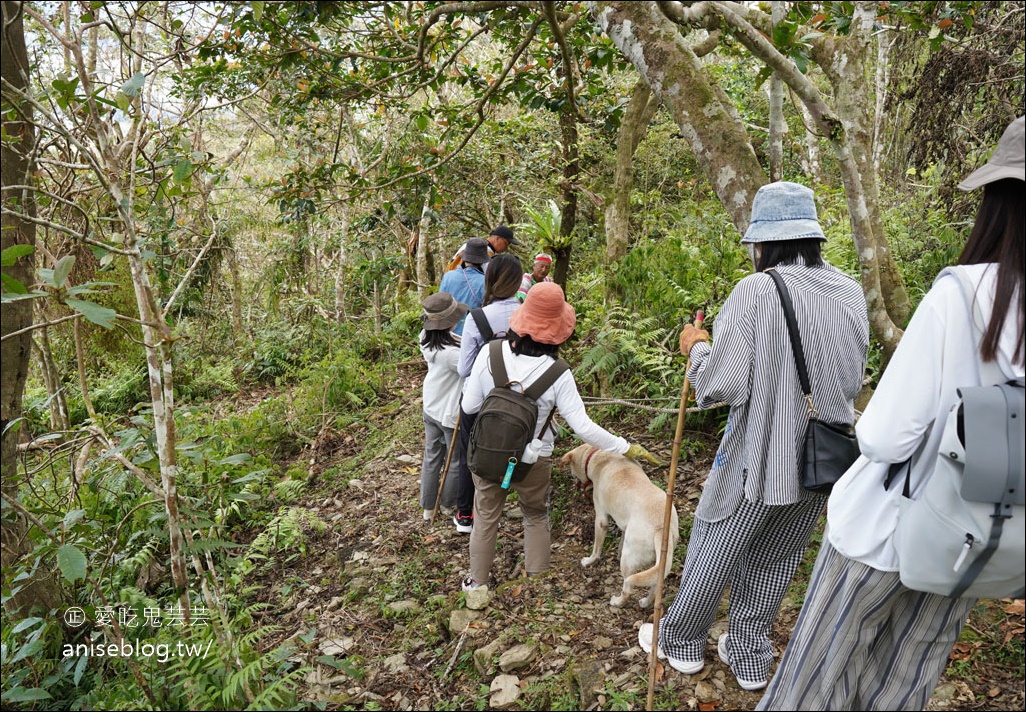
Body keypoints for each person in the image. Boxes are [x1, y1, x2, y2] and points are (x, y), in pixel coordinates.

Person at [756, 117, 1025, 711]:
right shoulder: (850, 291)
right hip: (972, 540)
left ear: (1000, 201)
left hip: (884, 528)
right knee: (900, 688)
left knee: (814, 686)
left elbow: (882, 435)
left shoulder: (962, 295)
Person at [638, 181, 870, 691]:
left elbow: (722, 383)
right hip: (823, 455)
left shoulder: (756, 290)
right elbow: (856, 374)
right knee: (777, 554)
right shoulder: (849, 289)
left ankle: (679, 640)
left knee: (715, 543)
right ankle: (748, 652)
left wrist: (696, 349)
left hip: (757, 454)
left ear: (762, 245)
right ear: (812, 237)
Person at [459, 282, 659, 590]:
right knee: (535, 515)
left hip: (489, 454)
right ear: (559, 330)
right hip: (534, 459)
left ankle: (477, 585)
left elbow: (469, 405)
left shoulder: (489, 353)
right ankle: (537, 587)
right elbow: (583, 427)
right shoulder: (558, 372)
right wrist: (624, 447)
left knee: (485, 517)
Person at [452, 253, 525, 534]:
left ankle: (465, 515)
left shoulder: (477, 318)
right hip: (519, 396)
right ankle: (508, 493)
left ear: (489, 280)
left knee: (468, 453)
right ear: (519, 282)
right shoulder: (525, 311)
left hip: (481, 397)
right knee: (512, 450)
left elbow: (463, 369)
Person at [417, 292, 467, 522]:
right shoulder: (452, 355)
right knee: (454, 460)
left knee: (432, 456)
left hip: (431, 405)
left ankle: (428, 507)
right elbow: (470, 370)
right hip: (448, 412)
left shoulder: (425, 338)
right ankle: (447, 504)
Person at [438, 237, 489, 336]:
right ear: (482, 261)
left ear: (464, 258)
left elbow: (440, 304)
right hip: (472, 334)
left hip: (448, 333)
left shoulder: (448, 276)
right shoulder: (485, 281)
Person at [445, 225, 518, 272]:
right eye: (506, 243)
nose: (506, 248)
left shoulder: (469, 245)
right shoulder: (485, 254)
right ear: (498, 239)